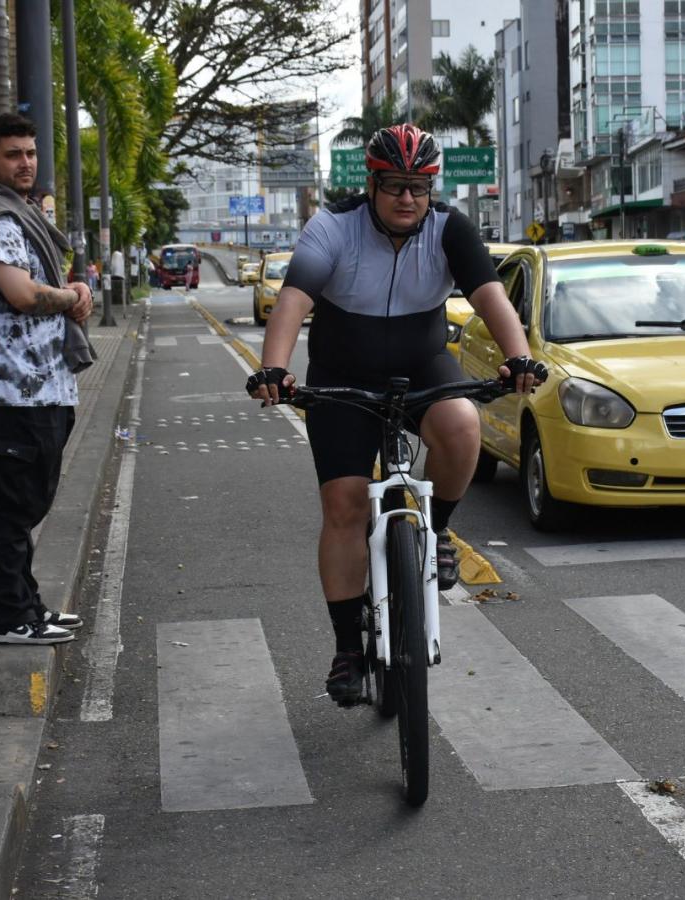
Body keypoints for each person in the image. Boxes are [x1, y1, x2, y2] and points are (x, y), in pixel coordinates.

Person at [247, 124, 545, 706]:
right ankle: (345, 650)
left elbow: (490, 295)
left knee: (462, 425)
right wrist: (274, 369)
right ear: (372, 184)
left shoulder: (449, 227)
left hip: (421, 364)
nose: (407, 199)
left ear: (432, 188)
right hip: (341, 376)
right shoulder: (332, 227)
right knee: (345, 505)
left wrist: (520, 358)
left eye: (419, 186)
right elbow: (293, 300)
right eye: (394, 187)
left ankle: (438, 532)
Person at [0, 112, 94, 645]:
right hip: (13, 390)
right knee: (13, 509)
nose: (26, 162)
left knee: (26, 503)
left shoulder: (14, 212)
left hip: (36, 387)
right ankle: (10, 619)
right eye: (13, 154)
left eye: (30, 153)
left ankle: (28, 608)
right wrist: (73, 296)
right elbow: (22, 293)